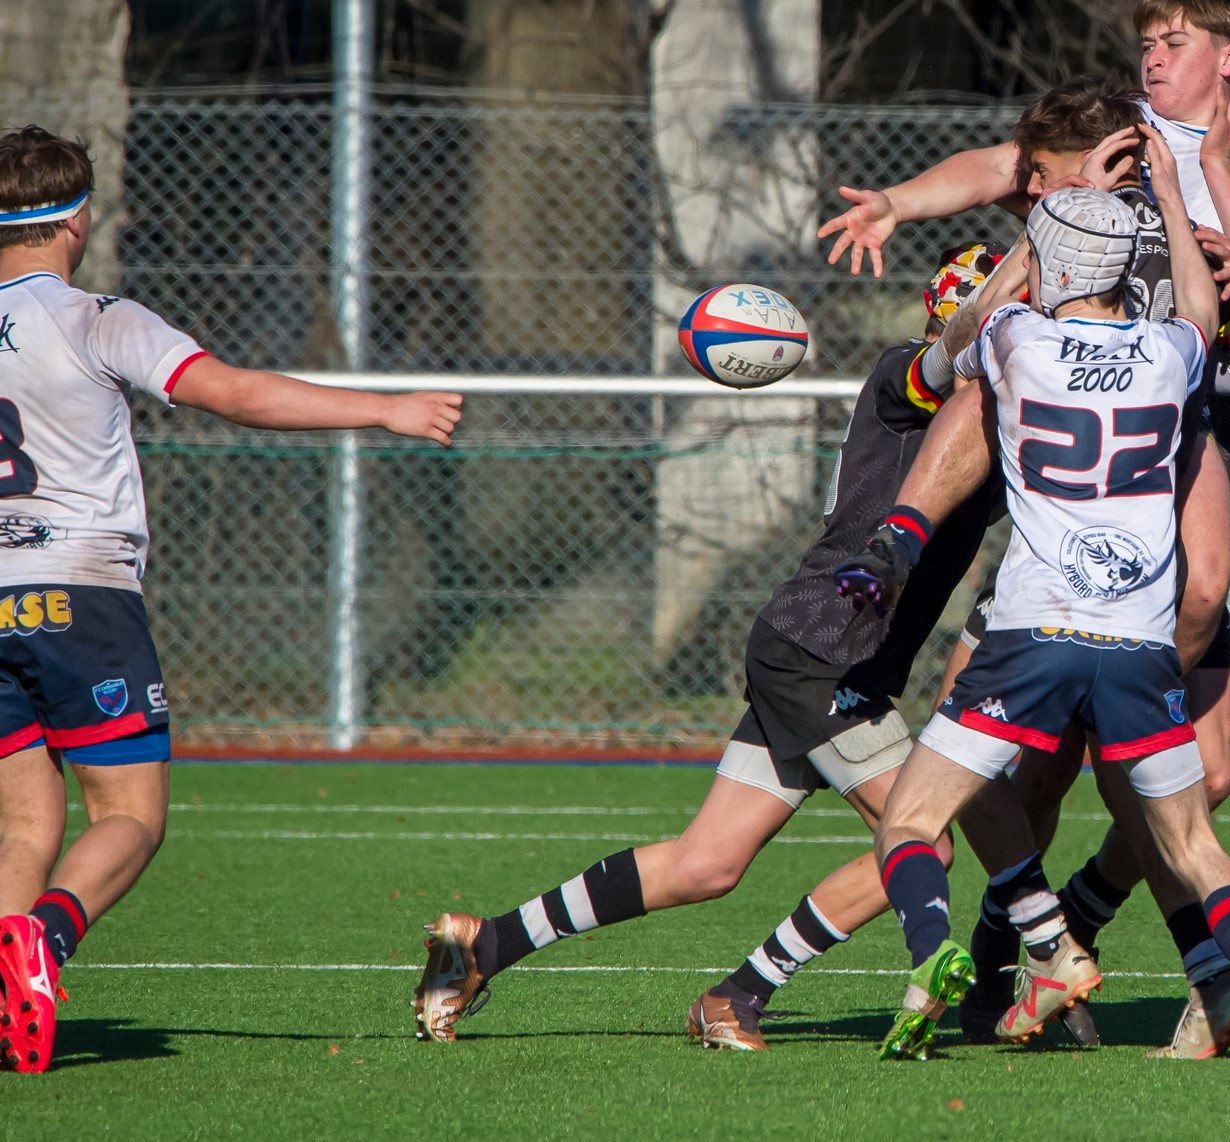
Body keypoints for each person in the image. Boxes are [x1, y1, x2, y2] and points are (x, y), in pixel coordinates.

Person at [817, 0, 1230, 1059]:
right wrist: (902, 205)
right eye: (1146, 38)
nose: (1152, 56)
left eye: (1176, 40)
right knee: (1035, 773)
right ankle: (1015, 963)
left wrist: (1215, 188)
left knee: (1204, 744)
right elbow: (1003, 170)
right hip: (1094, 449)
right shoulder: (1111, 139)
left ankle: (1101, 925)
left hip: (1181, 422)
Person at [410, 244, 1018, 1050]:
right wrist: (1026, 274)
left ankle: (481, 944)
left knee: (706, 864)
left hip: (825, 653)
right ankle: (739, 995)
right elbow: (950, 358)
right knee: (922, 842)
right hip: (822, 650)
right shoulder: (907, 374)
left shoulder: (1008, 417)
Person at [0, 124, 462, 1074]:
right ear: (75, 218)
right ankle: (41, 942)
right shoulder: (94, 317)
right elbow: (236, 391)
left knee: (19, 825)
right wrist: (384, 408)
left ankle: (7, 999)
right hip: (80, 596)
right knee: (130, 815)